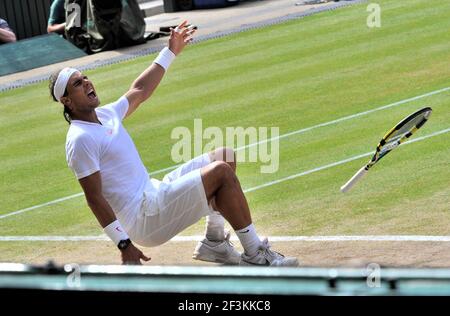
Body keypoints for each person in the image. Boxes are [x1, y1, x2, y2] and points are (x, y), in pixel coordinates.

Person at [49, 20, 298, 267]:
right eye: (78, 84)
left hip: (154, 193)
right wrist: (123, 244)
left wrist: (170, 51)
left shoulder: (105, 115)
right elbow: (93, 198)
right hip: (143, 219)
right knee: (220, 173)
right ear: (67, 101)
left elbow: (140, 90)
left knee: (224, 157)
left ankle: (214, 242)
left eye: (86, 78)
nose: (88, 83)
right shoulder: (80, 139)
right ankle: (255, 255)